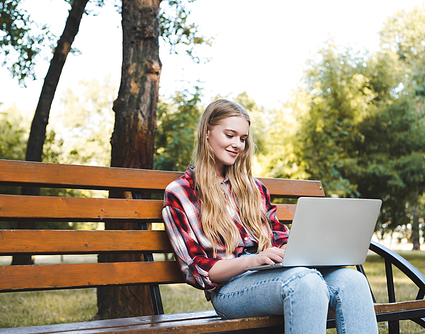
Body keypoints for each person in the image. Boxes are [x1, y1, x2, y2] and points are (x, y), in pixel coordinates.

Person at [162, 98, 378, 334]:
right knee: (304, 283)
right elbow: (198, 270)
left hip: (275, 274)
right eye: (230, 135)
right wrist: (252, 261)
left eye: (243, 139)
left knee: (352, 282)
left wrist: (299, 250)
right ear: (207, 133)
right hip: (230, 290)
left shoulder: (253, 188)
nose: (237, 144)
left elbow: (279, 237)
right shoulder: (180, 193)